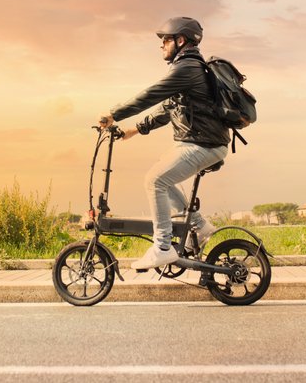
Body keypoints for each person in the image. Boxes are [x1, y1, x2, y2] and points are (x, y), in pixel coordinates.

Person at [98, 16, 230, 270]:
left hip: (204, 144)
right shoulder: (189, 69)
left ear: (181, 41)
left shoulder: (187, 68)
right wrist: (132, 131)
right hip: (198, 141)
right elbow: (168, 108)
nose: (161, 45)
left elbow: (152, 94)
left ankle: (162, 246)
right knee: (160, 175)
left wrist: (114, 113)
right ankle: (199, 226)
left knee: (155, 181)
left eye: (165, 40)